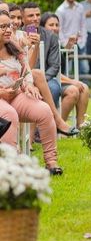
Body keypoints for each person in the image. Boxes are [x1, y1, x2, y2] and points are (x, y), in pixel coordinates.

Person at [0, 11, 62, 175]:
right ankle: (11, 168)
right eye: (2, 27)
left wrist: (28, 85)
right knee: (9, 114)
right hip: (1, 100)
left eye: (9, 26)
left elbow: (26, 69)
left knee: (44, 109)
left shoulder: (14, 46)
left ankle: (51, 162)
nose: (8, 30)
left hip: (16, 94)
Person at [41, 13, 90, 127]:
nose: (55, 28)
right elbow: (52, 70)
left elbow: (60, 61)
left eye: (57, 25)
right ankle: (58, 126)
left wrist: (68, 47)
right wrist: (72, 81)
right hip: (48, 80)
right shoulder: (42, 44)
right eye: (51, 25)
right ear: (43, 27)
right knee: (73, 91)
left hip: (58, 79)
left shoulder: (55, 42)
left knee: (85, 88)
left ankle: (80, 126)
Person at [22, 2, 62, 107]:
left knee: (54, 88)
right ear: (22, 19)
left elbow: (54, 65)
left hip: (45, 78)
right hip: (23, 78)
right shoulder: (17, 35)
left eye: (38, 15)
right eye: (31, 15)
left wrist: (41, 80)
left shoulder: (51, 36)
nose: (35, 18)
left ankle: (49, 121)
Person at [55, 0, 87, 75]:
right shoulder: (60, 10)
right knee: (67, 70)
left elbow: (83, 25)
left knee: (85, 68)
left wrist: (83, 40)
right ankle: (69, 87)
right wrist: (65, 44)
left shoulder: (80, 7)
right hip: (66, 43)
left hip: (80, 42)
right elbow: (59, 29)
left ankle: (85, 87)